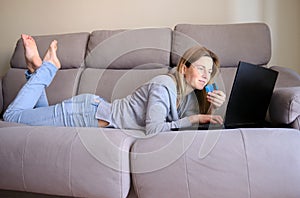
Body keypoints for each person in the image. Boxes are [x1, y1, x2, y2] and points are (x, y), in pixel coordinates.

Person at [3, 34, 226, 135]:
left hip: (90, 112)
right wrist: (196, 117)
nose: (206, 75)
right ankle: (50, 67)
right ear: (184, 67)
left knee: (37, 117)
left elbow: (186, 129)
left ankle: (36, 69)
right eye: (201, 68)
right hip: (84, 113)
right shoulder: (163, 84)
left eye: (210, 71)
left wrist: (211, 107)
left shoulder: (185, 97)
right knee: (12, 117)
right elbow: (155, 129)